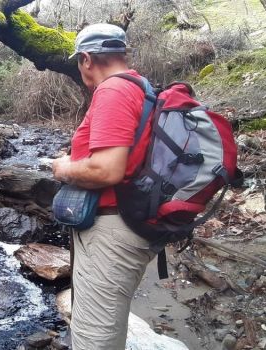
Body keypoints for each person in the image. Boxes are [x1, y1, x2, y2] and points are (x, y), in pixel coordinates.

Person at [51, 23, 157, 349]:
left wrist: (63, 167)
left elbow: (106, 170)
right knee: (107, 325)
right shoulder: (141, 86)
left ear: (86, 59)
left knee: (94, 339)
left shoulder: (113, 90)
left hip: (111, 231)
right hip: (127, 223)